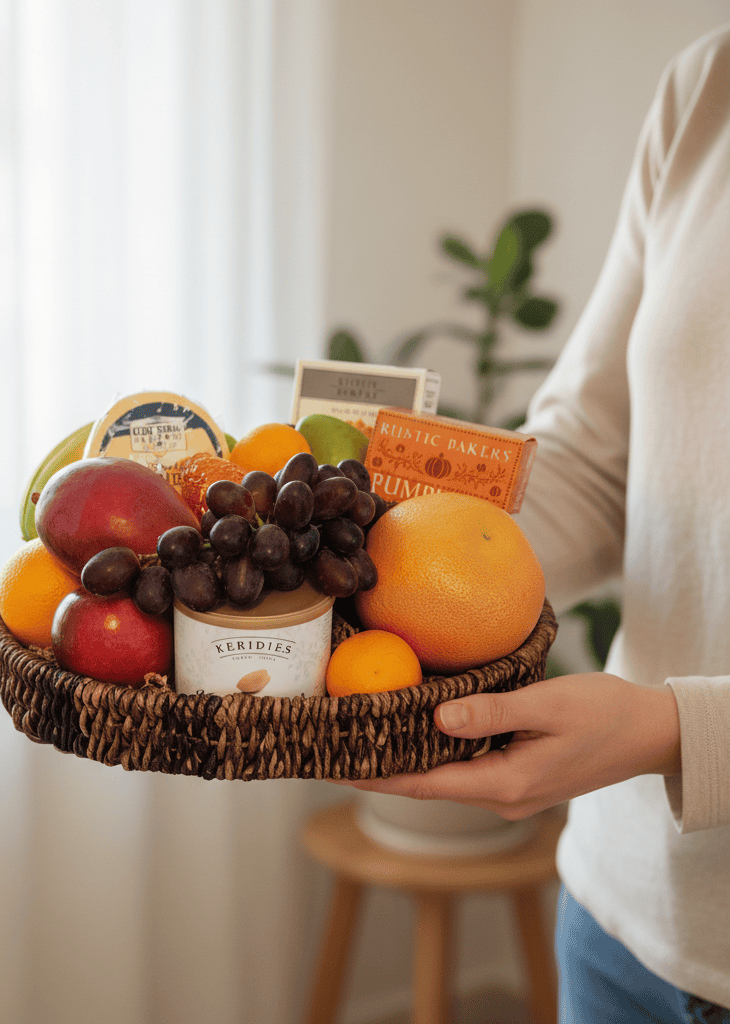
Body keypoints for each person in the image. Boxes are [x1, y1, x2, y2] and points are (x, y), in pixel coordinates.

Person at [341, 23, 730, 1022]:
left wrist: (674, 729)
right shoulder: (706, 89)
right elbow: (597, 460)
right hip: (619, 925)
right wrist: (355, 525)